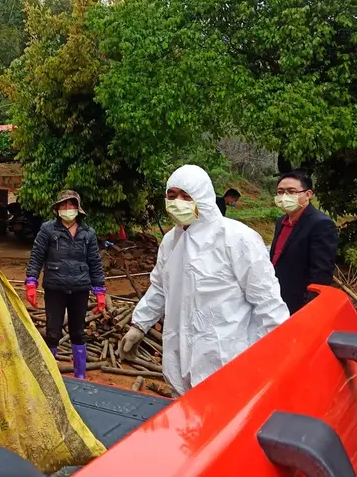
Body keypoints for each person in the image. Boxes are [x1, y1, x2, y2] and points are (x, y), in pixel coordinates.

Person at [119, 165, 289, 396]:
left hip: (228, 360)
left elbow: (267, 302)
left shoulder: (237, 239)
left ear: (203, 197)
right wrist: (139, 325)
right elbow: (160, 287)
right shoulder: (170, 241)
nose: (177, 202)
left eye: (186, 196)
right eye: (172, 196)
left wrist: (274, 356)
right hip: (179, 356)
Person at [25, 191, 106, 380]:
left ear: (78, 209)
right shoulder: (48, 230)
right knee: (52, 333)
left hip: (80, 289)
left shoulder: (88, 233)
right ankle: (50, 377)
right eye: (63, 205)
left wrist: (100, 290)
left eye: (71, 205)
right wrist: (31, 281)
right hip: (55, 288)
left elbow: (94, 262)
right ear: (57, 209)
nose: (67, 209)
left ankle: (80, 376)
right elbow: (37, 256)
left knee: (78, 332)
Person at [270, 171, 338, 314]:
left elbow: (321, 273)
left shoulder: (321, 224)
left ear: (308, 194)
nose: (284, 197)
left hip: (300, 303)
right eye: (280, 192)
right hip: (276, 297)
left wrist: (307, 308)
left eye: (291, 192)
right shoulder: (280, 222)